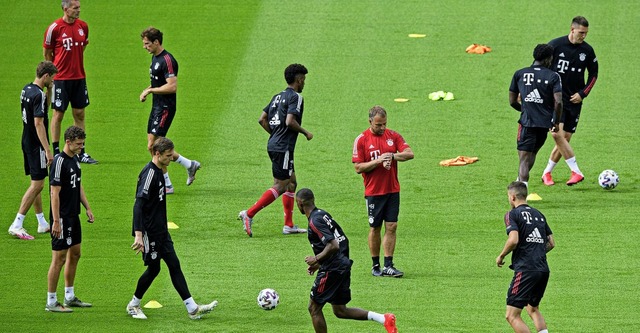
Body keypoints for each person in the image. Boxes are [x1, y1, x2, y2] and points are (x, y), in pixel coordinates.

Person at [127, 137, 217, 320]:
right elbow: (138, 205)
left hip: (161, 231)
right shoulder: (150, 174)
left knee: (174, 265)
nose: (172, 159)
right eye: (168, 156)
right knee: (154, 269)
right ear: (157, 154)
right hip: (149, 232)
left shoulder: (160, 170)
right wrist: (138, 235)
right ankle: (133, 305)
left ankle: (192, 309)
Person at [296, 188, 398, 333]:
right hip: (341, 265)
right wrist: (320, 263)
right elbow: (343, 241)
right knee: (340, 310)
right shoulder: (323, 215)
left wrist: (316, 258)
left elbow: (333, 245)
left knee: (314, 308)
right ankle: (384, 319)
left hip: (333, 269)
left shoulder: (314, 221)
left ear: (299, 203)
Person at [238, 64, 312, 237]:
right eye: (304, 80)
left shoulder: (277, 97)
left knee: (292, 182)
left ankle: (289, 225)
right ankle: (249, 214)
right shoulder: (296, 97)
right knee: (280, 185)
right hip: (283, 147)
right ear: (299, 79)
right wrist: (305, 132)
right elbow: (290, 122)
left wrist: (275, 135)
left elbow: (262, 119)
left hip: (275, 144)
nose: (304, 83)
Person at [352, 106, 413, 277]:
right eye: (378, 125)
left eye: (384, 124)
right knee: (375, 227)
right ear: (370, 121)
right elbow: (358, 167)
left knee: (392, 226)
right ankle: (375, 265)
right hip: (374, 192)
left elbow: (409, 154)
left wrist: (391, 156)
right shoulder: (361, 140)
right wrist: (379, 161)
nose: (382, 128)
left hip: (392, 190)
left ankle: (388, 264)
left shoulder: (393, 136)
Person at [140, 27, 200, 194]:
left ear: (156, 42)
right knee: (152, 146)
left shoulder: (167, 60)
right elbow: (158, 83)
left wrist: (151, 91)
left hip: (165, 107)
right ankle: (189, 164)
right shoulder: (155, 58)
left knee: (155, 145)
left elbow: (172, 86)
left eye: (147, 44)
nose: (145, 47)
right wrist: (148, 89)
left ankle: (167, 185)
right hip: (157, 106)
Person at [509, 44, 578, 187]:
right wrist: (555, 121)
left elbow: (512, 101)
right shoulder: (553, 76)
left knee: (523, 158)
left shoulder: (520, 73)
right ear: (548, 59)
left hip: (527, 123)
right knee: (532, 154)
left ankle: (522, 192)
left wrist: (526, 110)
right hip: (543, 124)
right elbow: (558, 102)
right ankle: (521, 185)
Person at [541, 16, 598, 186]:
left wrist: (583, 93)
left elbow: (594, 75)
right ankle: (576, 171)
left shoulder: (587, 51)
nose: (584, 36)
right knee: (556, 133)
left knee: (564, 138)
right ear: (572, 29)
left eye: (586, 33)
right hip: (555, 99)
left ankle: (547, 173)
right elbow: (539, 67)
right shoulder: (555, 45)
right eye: (581, 32)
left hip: (574, 101)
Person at [46, 126, 95, 313]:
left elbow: (78, 185)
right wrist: (56, 221)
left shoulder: (75, 159)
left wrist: (87, 207)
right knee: (58, 258)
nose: (81, 147)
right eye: (79, 144)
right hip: (63, 218)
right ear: (68, 142)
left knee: (75, 254)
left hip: (74, 216)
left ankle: (69, 296)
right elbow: (54, 193)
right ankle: (51, 301)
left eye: (82, 144)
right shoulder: (59, 162)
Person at [8, 61, 58, 240]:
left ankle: (42, 222)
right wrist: (47, 149)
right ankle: (17, 223)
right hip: (37, 144)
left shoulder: (27, 89)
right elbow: (39, 122)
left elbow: (45, 107)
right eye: (52, 78)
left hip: (26, 140)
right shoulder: (38, 95)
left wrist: (50, 90)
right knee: (38, 185)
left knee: (35, 182)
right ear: (46, 76)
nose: (53, 80)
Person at [496, 181, 555, 333]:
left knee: (512, 315)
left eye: (509, 196)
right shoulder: (539, 215)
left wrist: (501, 255)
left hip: (526, 269)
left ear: (513, 197)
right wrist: (536, 252)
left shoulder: (512, 214)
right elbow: (551, 243)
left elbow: (513, 240)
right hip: (543, 269)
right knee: (532, 308)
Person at [43, 0, 97, 164]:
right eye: (75, 8)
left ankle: (81, 151)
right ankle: (58, 151)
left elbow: (82, 46)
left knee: (79, 114)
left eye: (79, 7)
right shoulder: (55, 28)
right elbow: (47, 53)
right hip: (61, 79)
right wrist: (54, 73)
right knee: (58, 114)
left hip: (79, 77)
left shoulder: (83, 26)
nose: (79, 10)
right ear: (66, 9)